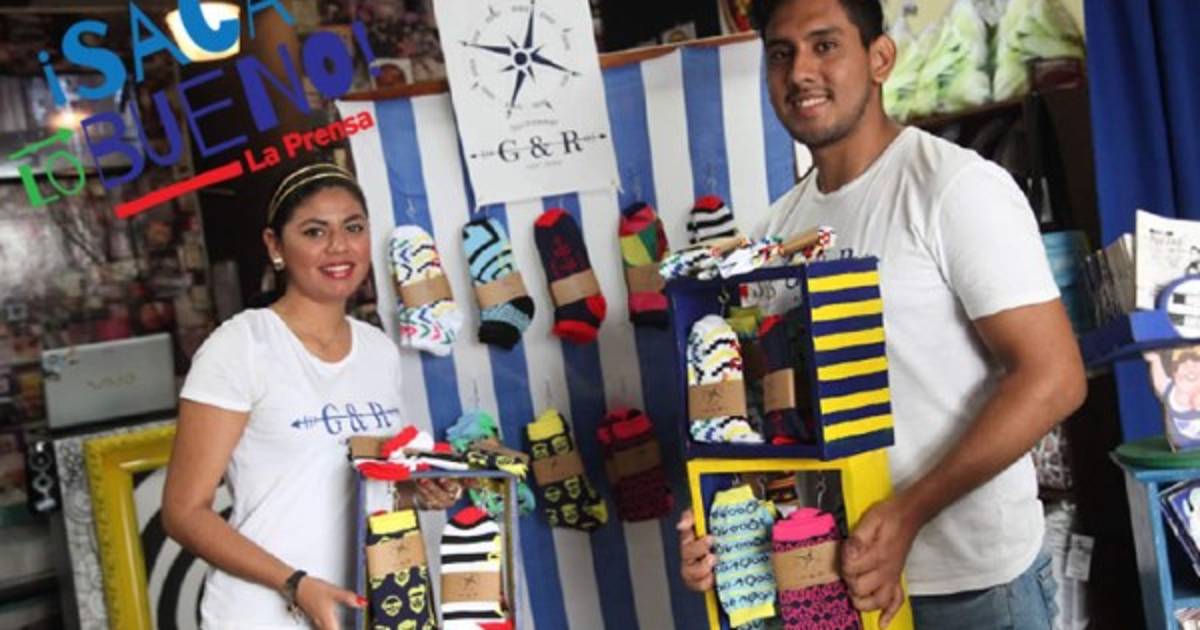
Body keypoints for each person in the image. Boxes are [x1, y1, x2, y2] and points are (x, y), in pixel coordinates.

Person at [676, 0, 1087, 627]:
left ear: (879, 58)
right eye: (781, 54)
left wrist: (909, 511)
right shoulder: (774, 233)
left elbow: (1054, 377)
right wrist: (725, 528)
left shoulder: (953, 188)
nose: (800, 71)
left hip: (973, 589)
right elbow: (775, 418)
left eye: (825, 45)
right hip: (839, 584)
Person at [162, 163, 461, 630]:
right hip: (262, 614)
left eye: (353, 228)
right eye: (315, 231)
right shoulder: (241, 346)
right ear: (275, 246)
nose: (339, 246)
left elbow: (368, 482)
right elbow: (183, 513)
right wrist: (295, 583)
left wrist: (420, 489)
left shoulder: (378, 350)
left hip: (364, 607)